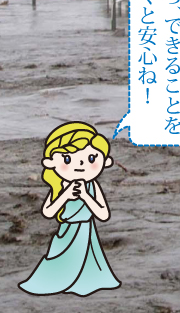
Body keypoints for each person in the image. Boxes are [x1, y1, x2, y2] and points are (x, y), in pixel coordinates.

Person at [19, 122, 121, 296]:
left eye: (90, 159)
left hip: (87, 231)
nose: (80, 164)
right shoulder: (59, 186)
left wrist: (86, 196)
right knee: (60, 264)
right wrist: (65, 195)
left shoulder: (92, 186)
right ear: (51, 162)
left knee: (89, 269)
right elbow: (49, 212)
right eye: (67, 159)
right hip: (68, 231)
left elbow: (103, 214)